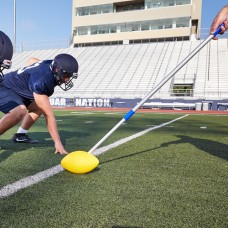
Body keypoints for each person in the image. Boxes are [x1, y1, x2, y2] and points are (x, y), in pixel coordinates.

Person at [0, 53, 78, 154]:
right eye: (66, 75)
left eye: (69, 76)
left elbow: (32, 60)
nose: (67, 79)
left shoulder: (50, 64)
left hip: (18, 91)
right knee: (20, 111)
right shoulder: (42, 80)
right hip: (4, 86)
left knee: (38, 107)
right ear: (56, 70)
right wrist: (58, 142)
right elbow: (49, 116)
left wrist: (29, 75)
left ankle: (20, 135)